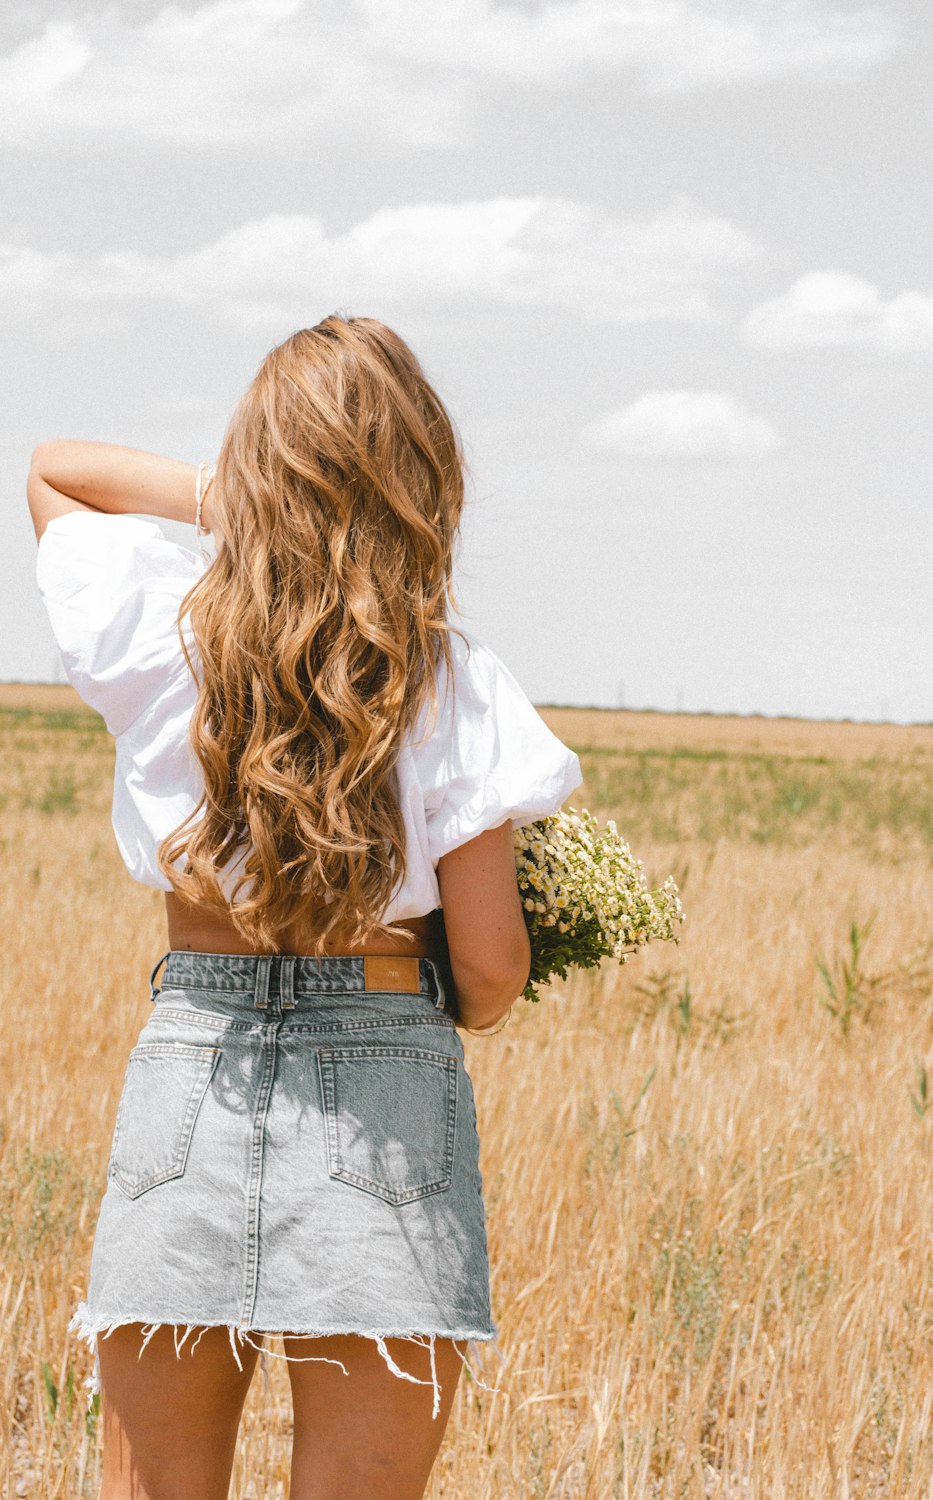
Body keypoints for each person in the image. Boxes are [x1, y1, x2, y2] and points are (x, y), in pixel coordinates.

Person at [28, 314, 582, 1500]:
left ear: (253, 474)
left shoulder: (161, 639)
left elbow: (55, 471)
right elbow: (486, 969)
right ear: (424, 483)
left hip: (194, 1067)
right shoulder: (453, 682)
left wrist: (236, 500)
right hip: (383, 1084)